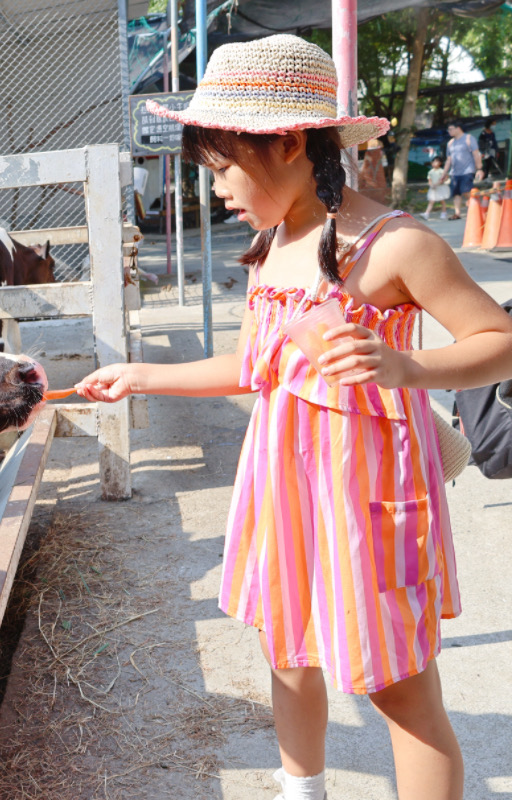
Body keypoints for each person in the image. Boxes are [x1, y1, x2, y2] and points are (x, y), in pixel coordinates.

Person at [78, 34, 512, 800]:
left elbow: (498, 341)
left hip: (370, 504)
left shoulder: (396, 245)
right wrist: (141, 376)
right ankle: (301, 790)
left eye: (222, 169)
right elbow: (254, 367)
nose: (216, 189)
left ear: (285, 145)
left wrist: (408, 368)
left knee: (399, 693)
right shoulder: (273, 240)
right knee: (286, 652)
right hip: (285, 493)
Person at [443, 121, 484, 220]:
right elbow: (449, 160)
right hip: (454, 172)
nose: (449, 131)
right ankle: (457, 213)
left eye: (451, 129)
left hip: (467, 170)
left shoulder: (469, 139)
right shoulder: (450, 143)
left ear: (458, 128)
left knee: (466, 191)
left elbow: (476, 154)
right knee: (456, 193)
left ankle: (477, 208)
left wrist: (479, 169)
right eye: (448, 130)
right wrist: (444, 174)